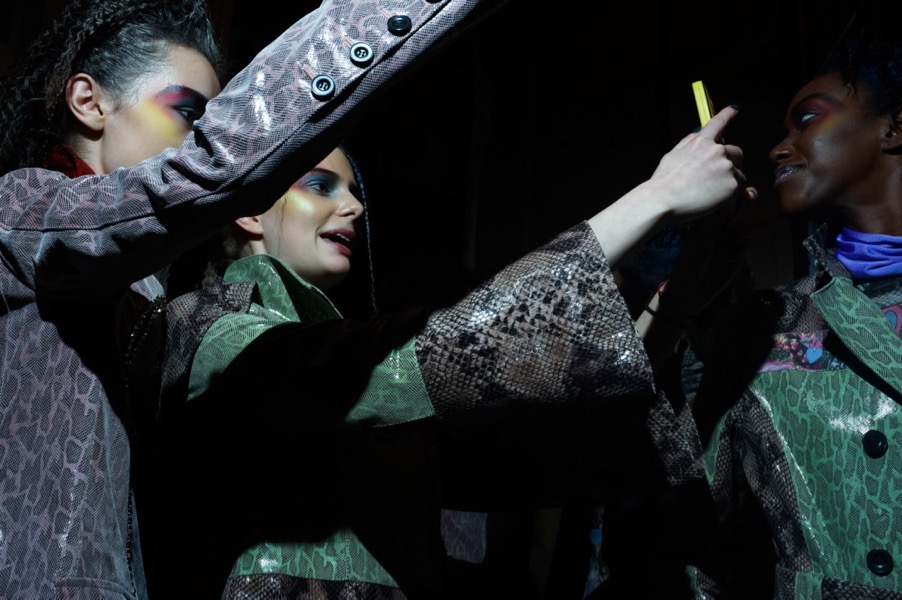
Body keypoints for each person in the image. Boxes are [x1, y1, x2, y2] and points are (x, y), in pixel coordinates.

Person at [141, 78, 748, 598]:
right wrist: (656, 198)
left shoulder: (362, 368)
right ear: (249, 210)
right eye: (321, 185)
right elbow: (401, 365)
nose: (354, 207)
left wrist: (674, 307)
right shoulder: (205, 329)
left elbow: (545, 454)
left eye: (354, 191)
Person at [0, 0, 519, 596]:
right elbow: (207, 172)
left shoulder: (152, 300)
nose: (205, 140)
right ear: (89, 102)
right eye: (188, 114)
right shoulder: (21, 212)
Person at [679, 40, 902, 598]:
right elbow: (693, 531)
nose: (779, 148)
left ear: (893, 128)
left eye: (807, 120)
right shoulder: (765, 324)